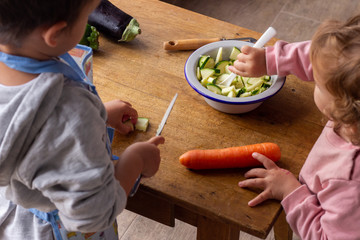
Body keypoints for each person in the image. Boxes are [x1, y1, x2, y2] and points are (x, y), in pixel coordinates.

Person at [0, 0, 164, 239]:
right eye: (86, 16)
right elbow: (94, 216)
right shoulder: (69, 112)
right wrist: (135, 160)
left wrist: (99, 113)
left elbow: (31, 124)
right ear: (54, 34)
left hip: (19, 224)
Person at [229, 15, 360, 240]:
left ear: (343, 110)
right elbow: (330, 59)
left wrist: (290, 191)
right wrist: (270, 61)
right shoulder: (351, 100)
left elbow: (325, 236)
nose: (313, 77)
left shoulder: (349, 181)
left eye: (318, 83)